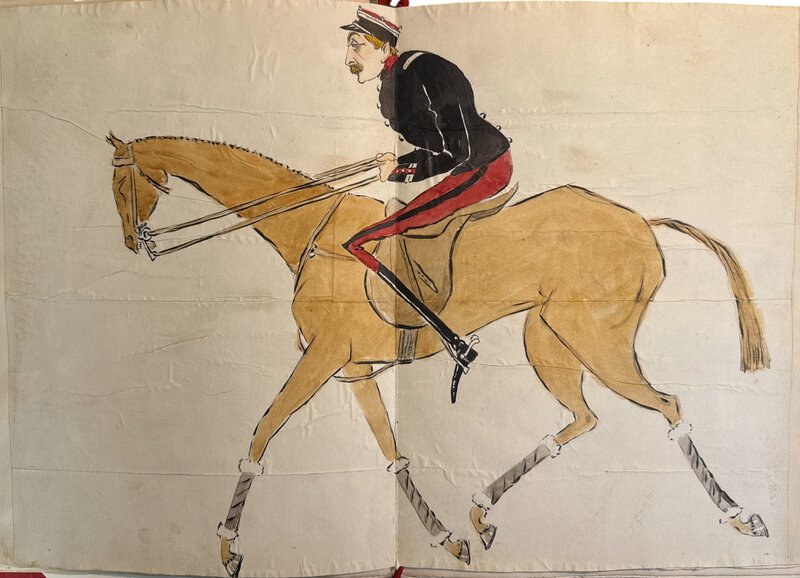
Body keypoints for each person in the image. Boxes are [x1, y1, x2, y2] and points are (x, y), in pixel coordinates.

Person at [341, 7, 512, 380]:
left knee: (361, 240)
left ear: (383, 47)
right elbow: (437, 146)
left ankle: (452, 340)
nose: (349, 58)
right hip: (469, 162)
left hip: (485, 167)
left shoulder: (419, 72)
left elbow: (456, 152)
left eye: (356, 46)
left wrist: (399, 171)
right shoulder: (395, 78)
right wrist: (397, 164)